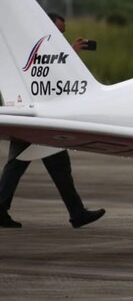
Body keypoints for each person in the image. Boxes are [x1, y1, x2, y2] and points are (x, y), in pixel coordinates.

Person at [0, 13, 105, 229]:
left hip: (43, 117)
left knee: (51, 168)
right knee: (29, 165)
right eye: (57, 31)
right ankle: (77, 213)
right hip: (38, 117)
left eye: (62, 34)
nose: (59, 37)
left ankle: (77, 212)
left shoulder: (43, 49)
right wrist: (71, 52)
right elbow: (47, 71)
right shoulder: (35, 48)